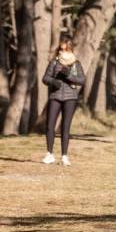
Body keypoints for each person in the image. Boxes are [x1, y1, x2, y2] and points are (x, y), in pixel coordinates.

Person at [41, 38, 86, 166]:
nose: (63, 51)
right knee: (50, 126)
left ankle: (64, 156)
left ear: (71, 49)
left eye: (66, 49)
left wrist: (69, 76)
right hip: (55, 96)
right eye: (61, 49)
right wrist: (52, 81)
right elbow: (45, 78)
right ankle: (49, 154)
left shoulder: (76, 64)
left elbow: (82, 80)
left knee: (65, 127)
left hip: (70, 98)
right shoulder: (54, 63)